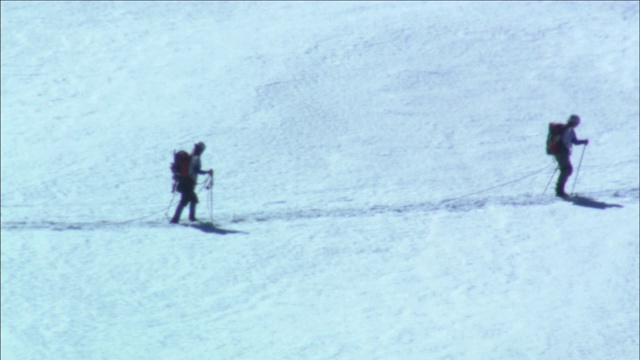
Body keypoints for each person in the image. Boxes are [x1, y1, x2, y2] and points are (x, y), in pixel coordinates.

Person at [170, 142, 214, 223]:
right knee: (185, 201)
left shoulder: (191, 156)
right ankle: (176, 219)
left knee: (192, 199)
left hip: (184, 181)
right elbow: (195, 170)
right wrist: (207, 172)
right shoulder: (196, 158)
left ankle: (190, 217)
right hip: (188, 182)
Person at [554, 115, 589, 198]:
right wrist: (584, 142)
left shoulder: (565, 129)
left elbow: (573, 141)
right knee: (566, 170)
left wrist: (583, 141)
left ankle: (559, 189)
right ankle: (559, 191)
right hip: (562, 152)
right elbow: (575, 141)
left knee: (567, 170)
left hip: (560, 152)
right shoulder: (568, 130)